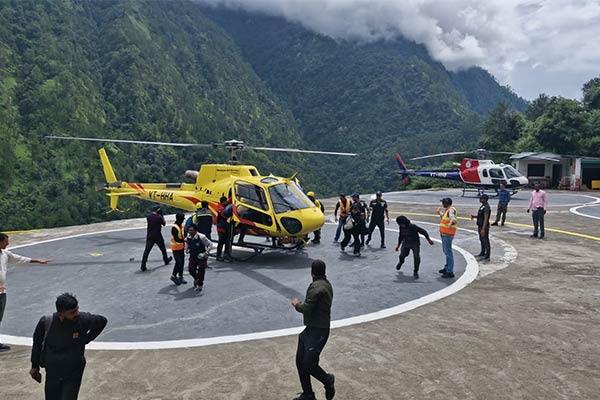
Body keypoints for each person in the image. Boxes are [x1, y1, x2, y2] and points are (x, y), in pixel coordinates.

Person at [30, 293, 107, 400]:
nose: (77, 313)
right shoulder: (46, 322)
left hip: (74, 370)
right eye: (72, 312)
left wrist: (86, 339)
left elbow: (103, 321)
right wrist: (34, 366)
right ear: (61, 313)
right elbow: (37, 344)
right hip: (53, 370)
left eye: (77, 309)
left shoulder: (83, 319)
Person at [291, 260, 335, 400]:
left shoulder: (316, 288)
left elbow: (307, 308)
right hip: (311, 330)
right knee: (300, 361)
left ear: (312, 272)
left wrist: (297, 304)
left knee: (308, 365)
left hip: (318, 331)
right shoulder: (326, 284)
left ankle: (328, 380)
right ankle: (308, 394)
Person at [0, 233, 50, 351]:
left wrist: (38, 261)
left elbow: (20, 259)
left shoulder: (5, 254)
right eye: (6, 241)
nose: (8, 243)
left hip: (2, 293)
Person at [140, 205, 172, 272]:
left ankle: (143, 265)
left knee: (147, 251)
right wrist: (162, 215)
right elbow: (164, 224)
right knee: (163, 249)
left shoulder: (149, 217)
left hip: (150, 236)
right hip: (157, 235)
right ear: (158, 210)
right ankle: (166, 260)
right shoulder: (159, 217)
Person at [186, 224, 214, 292]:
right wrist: (186, 249)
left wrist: (206, 253)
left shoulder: (202, 237)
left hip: (201, 256)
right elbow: (188, 243)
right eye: (189, 230)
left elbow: (210, 244)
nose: (190, 232)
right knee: (191, 269)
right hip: (193, 255)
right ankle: (196, 279)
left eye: (191, 230)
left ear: (196, 231)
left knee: (201, 270)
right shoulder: (188, 236)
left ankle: (200, 284)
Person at [437, 198, 457, 279]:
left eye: (443, 203)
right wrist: (440, 213)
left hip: (447, 234)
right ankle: (447, 267)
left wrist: (450, 223)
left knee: (448, 252)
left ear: (446, 203)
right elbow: (445, 218)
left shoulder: (451, 210)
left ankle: (450, 271)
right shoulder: (448, 210)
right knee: (446, 251)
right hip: (444, 233)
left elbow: (452, 218)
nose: (442, 204)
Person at [471, 194, 491, 260]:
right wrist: (475, 217)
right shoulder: (483, 206)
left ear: (485, 199)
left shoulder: (486, 207)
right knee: (482, 240)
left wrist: (483, 228)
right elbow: (481, 216)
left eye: (481, 198)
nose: (480, 199)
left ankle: (487, 255)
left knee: (485, 240)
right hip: (480, 225)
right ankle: (482, 252)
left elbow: (486, 218)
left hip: (483, 226)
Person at [170, 213, 187, 285]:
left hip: (181, 247)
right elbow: (176, 239)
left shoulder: (182, 226)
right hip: (175, 248)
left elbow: (184, 234)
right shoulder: (174, 227)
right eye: (183, 218)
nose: (184, 219)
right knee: (178, 262)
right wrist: (185, 240)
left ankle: (180, 276)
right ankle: (173, 276)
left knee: (182, 262)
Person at [215, 196, 233, 261]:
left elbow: (229, 201)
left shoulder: (226, 204)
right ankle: (218, 255)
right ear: (223, 202)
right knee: (221, 242)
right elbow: (224, 215)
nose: (227, 202)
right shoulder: (219, 207)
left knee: (228, 241)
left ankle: (226, 254)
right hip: (221, 228)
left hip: (227, 227)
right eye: (226, 201)